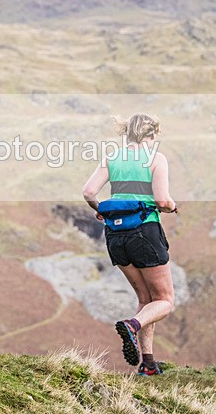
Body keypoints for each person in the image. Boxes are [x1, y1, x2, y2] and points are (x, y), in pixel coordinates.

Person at [82, 113, 177, 376]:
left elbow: (88, 192)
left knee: (146, 299)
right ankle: (132, 325)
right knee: (165, 300)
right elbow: (161, 200)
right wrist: (172, 206)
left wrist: (100, 210)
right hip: (145, 232)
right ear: (152, 134)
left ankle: (147, 364)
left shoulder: (112, 158)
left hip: (115, 236)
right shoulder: (156, 159)